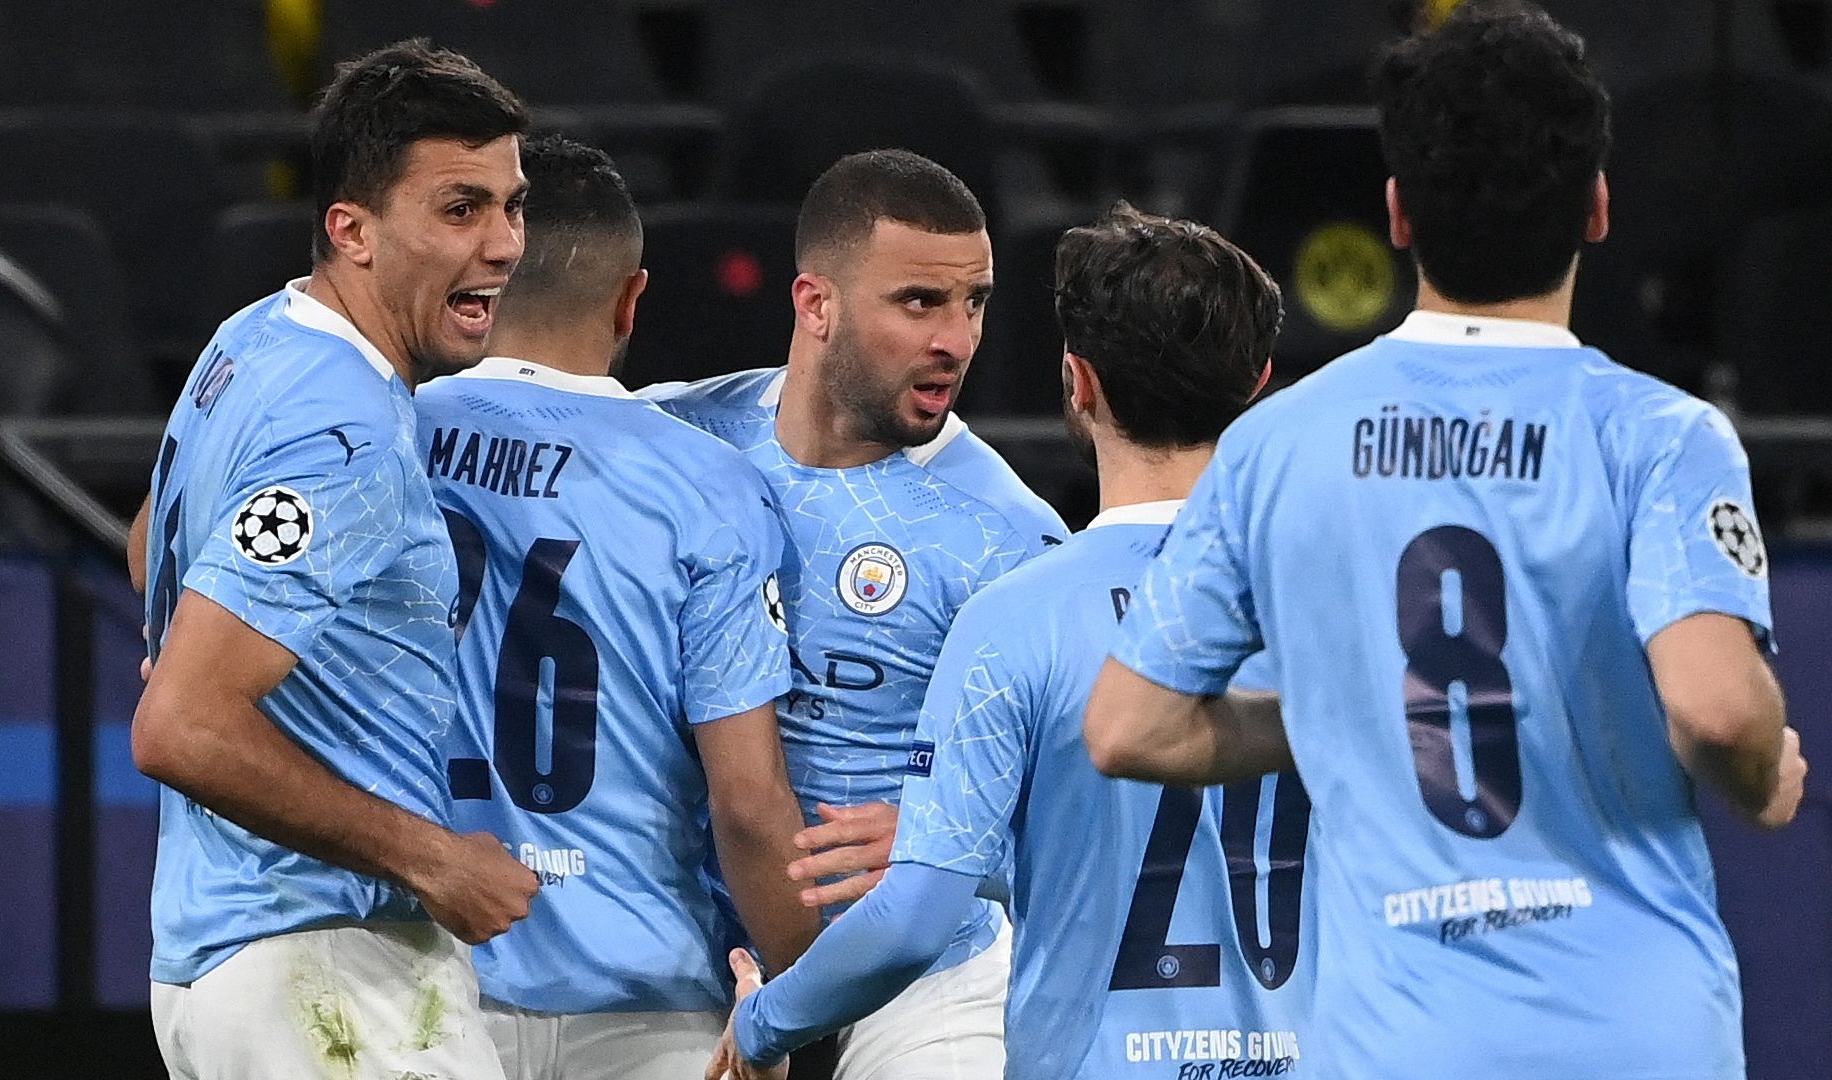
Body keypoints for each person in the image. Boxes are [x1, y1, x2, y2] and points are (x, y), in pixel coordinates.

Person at [1085, 4, 1807, 1078]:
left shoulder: (1276, 446)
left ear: (1397, 215)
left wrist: (1360, 709)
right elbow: (1713, 704)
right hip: (1639, 1032)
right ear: (1599, 208)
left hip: (1403, 1043)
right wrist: (1762, 775)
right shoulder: (1662, 435)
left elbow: (1130, 727)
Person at [709, 203, 1306, 1080]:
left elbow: (914, 914)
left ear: (1078, 382)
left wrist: (766, 1024)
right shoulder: (1341, 611)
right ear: (1259, 380)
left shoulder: (1019, 614)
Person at [132, 39, 538, 1080]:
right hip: (327, 972)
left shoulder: (254, 340)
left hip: (221, 967)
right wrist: (434, 859)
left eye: (511, 204)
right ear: (352, 230)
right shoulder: (344, 431)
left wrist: (208, 636)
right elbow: (179, 725)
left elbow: (152, 541)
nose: (502, 245)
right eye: (460, 209)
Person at [643, 149, 1069, 1078]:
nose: (957, 339)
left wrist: (961, 849)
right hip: (689, 969)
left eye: (977, 303)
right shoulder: (678, 442)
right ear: (816, 304)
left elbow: (1091, 806)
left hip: (918, 989)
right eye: (920, 302)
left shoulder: (1005, 537)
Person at [414, 134, 822, 1079]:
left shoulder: (388, 428)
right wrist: (807, 1000)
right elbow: (750, 804)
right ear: (633, 298)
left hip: (421, 977)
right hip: (648, 1002)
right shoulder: (709, 485)